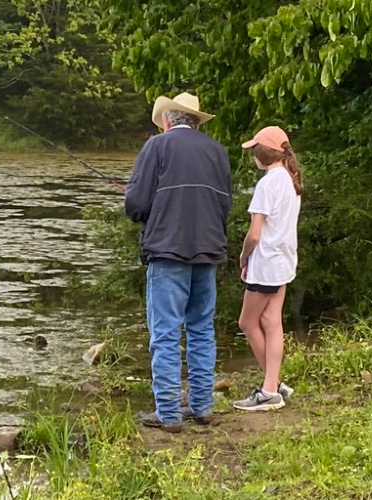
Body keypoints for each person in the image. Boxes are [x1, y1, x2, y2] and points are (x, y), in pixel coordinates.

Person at [123, 92, 233, 433]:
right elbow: (225, 204)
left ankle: (169, 414)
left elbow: (136, 205)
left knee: (166, 333)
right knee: (202, 330)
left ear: (167, 121)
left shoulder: (157, 146)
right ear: (196, 121)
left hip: (168, 251)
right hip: (208, 249)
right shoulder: (217, 151)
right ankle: (202, 407)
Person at [232, 126, 303, 412]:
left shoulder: (267, 184)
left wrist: (243, 257)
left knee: (247, 323)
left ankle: (270, 390)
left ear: (261, 155)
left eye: (254, 151)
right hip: (284, 261)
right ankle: (273, 385)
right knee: (272, 321)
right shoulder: (290, 179)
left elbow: (254, 235)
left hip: (266, 264)